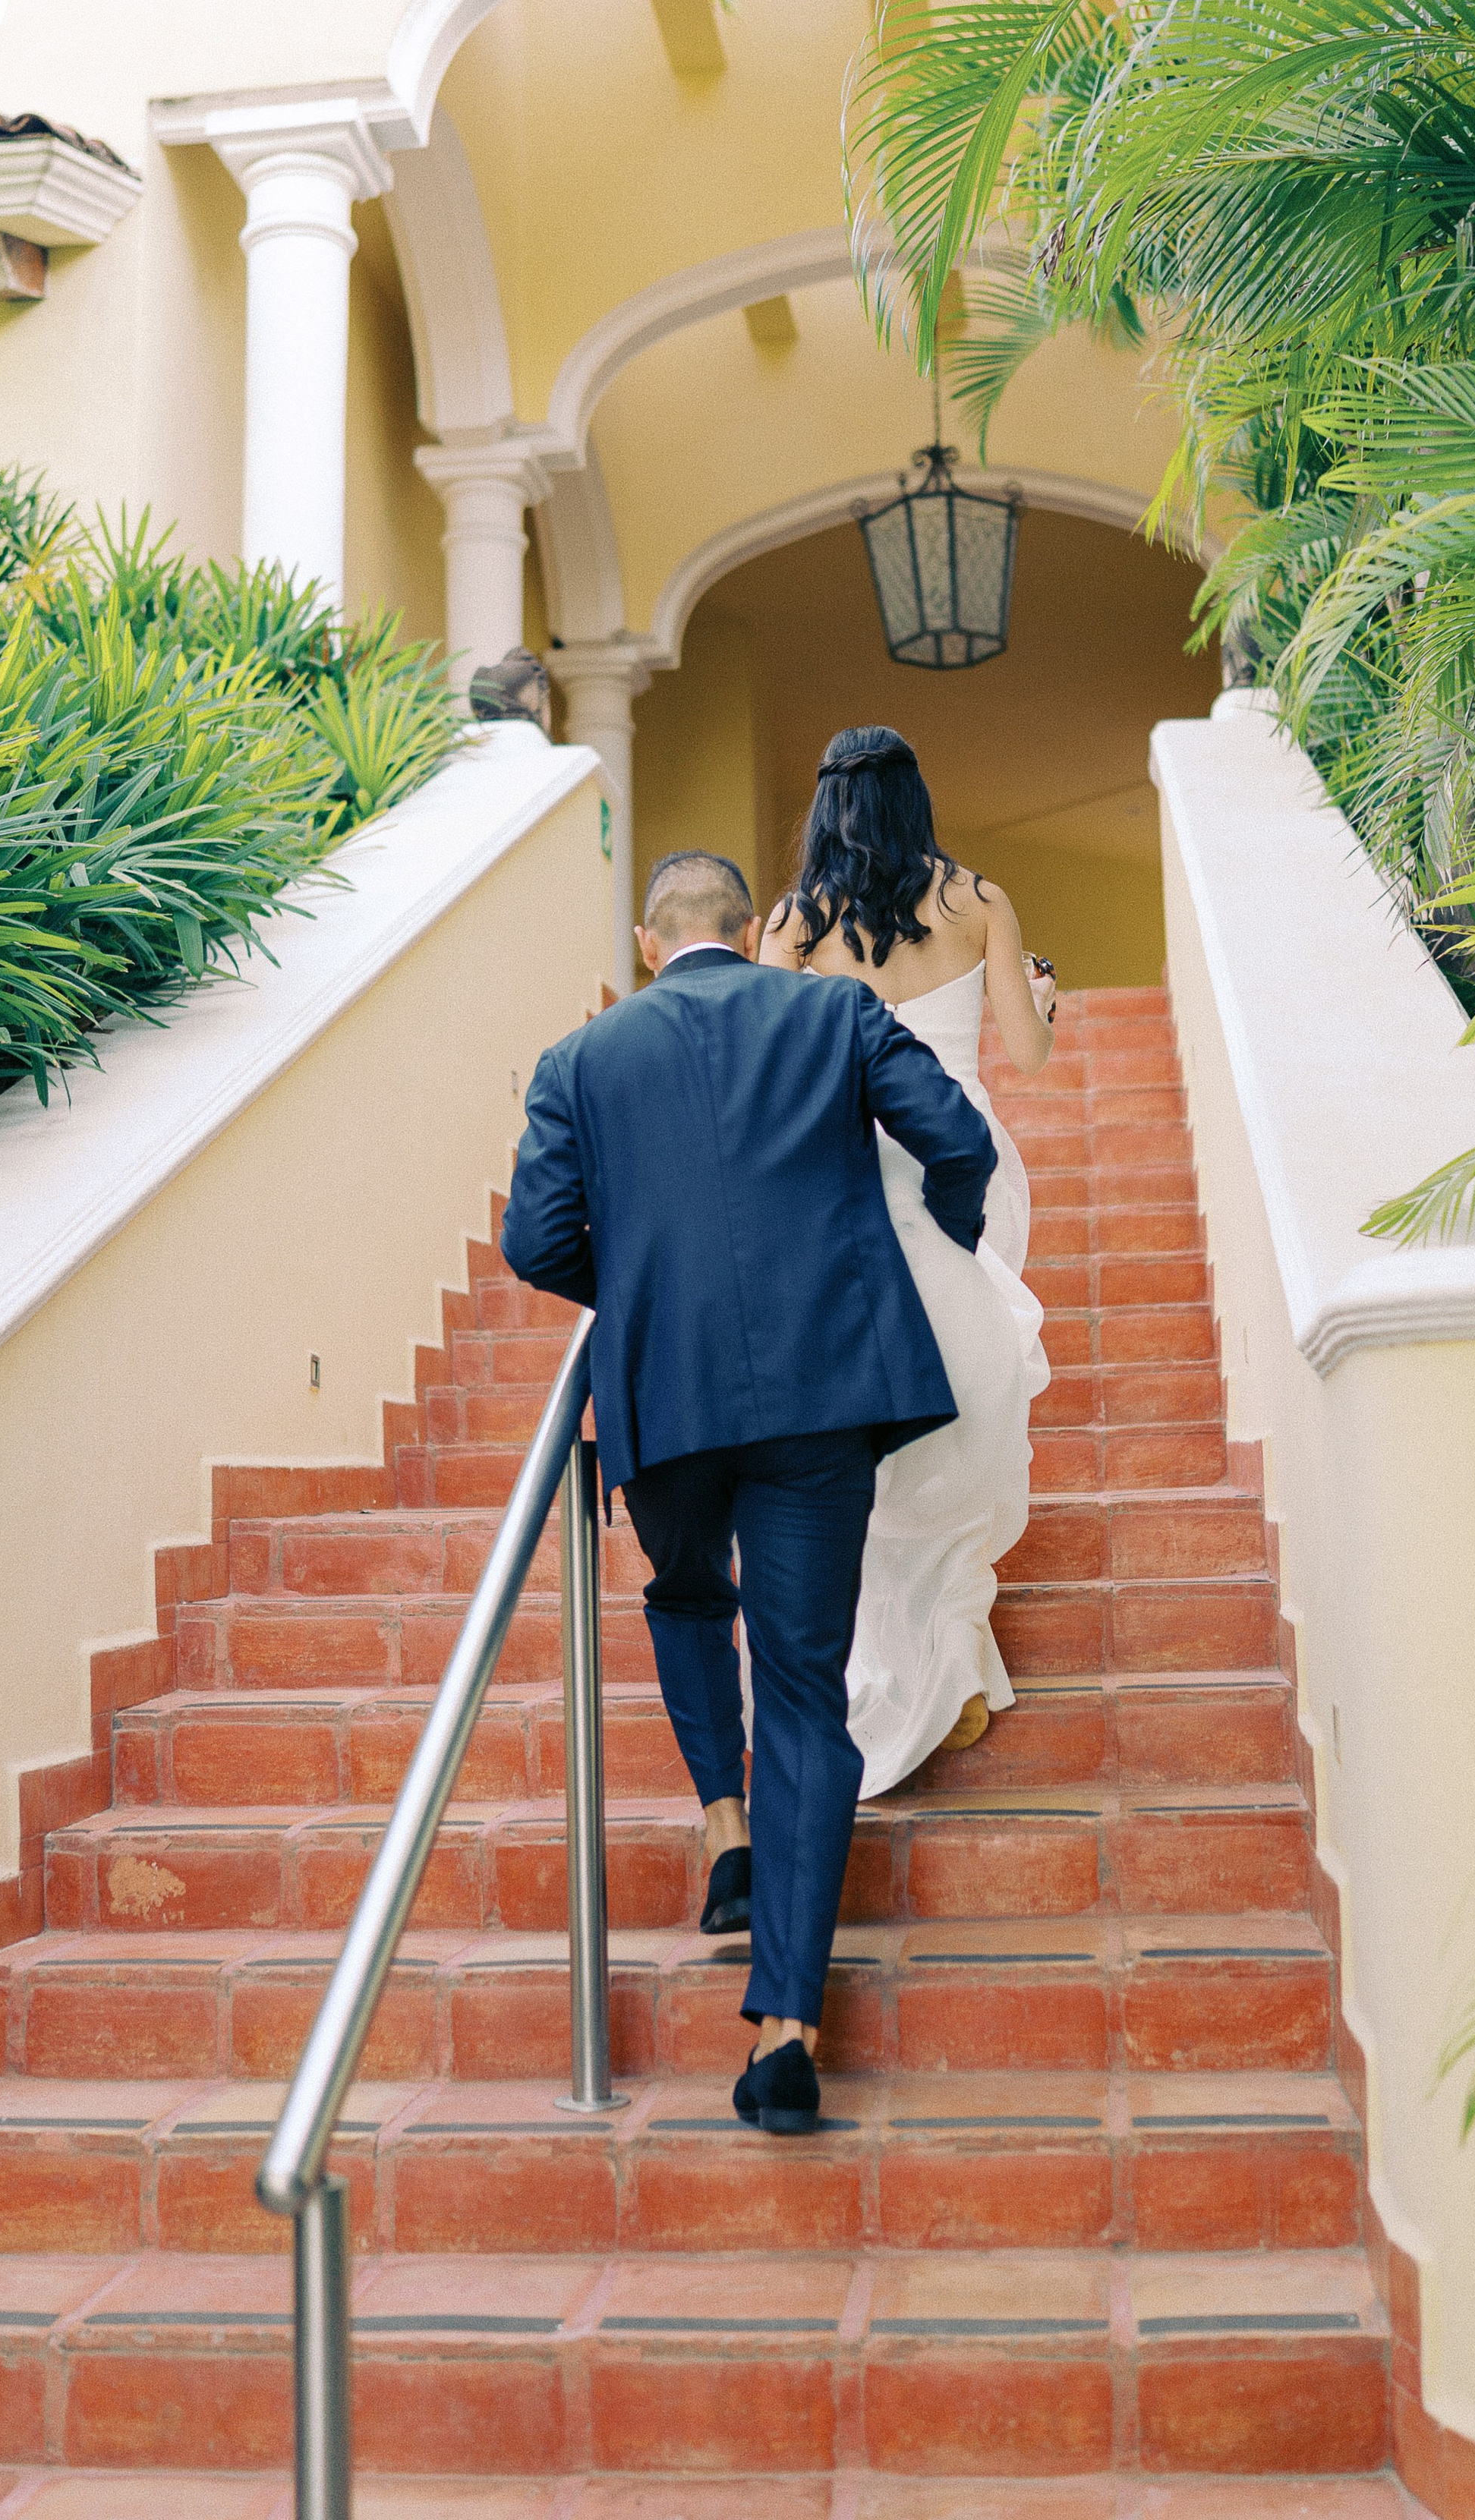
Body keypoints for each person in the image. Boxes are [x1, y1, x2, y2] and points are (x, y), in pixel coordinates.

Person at [500, 847, 997, 2135]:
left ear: (649, 939)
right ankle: (786, 2030)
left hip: (671, 1397)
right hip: (826, 1388)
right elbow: (957, 1140)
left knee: (681, 1592)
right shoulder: (832, 1010)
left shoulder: (583, 1060)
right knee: (807, 1692)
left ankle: (723, 1823)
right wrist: (941, 1240)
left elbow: (537, 1241)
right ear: (753, 928)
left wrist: (651, 1295)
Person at [761, 727, 1056, 1791]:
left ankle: (899, 1656)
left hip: (853, 1172)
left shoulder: (795, 927)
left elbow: (772, 1067)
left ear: (827, 808)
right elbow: (1026, 1052)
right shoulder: (977, 901)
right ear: (914, 800)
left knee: (872, 1414)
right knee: (972, 1389)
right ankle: (956, 1646)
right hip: (964, 1163)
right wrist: (1041, 997)